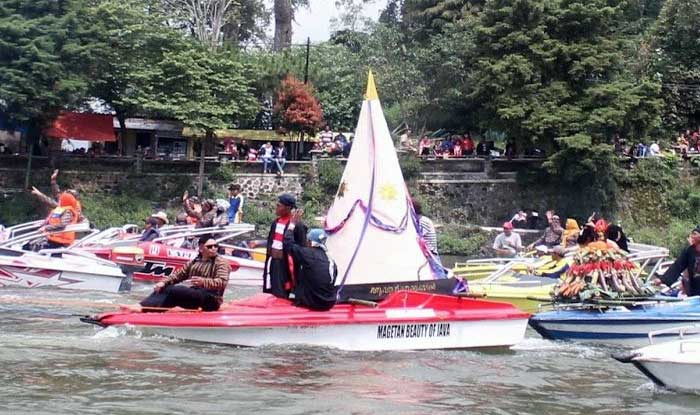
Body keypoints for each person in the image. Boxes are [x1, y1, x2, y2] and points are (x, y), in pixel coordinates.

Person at [134, 234, 229, 312]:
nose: (214, 248)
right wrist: (164, 282)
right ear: (201, 248)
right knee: (164, 287)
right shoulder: (195, 261)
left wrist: (204, 282)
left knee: (176, 290)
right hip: (196, 295)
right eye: (209, 246)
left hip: (212, 300)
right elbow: (179, 274)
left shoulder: (221, 262)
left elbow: (222, 282)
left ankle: (144, 308)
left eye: (216, 246)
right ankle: (145, 307)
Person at [283, 209, 337, 311]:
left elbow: (287, 244)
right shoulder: (330, 259)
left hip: (313, 303)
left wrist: (292, 225)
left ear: (310, 242)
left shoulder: (307, 254)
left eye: (308, 240)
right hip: (329, 303)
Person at [262, 194, 308, 298]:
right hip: (272, 262)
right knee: (269, 290)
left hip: (285, 265)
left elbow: (301, 247)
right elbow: (271, 241)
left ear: (287, 208)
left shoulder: (297, 225)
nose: (276, 208)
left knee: (281, 292)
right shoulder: (275, 222)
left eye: (279, 205)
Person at [658, 226, 700, 297]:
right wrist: (662, 280)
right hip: (695, 288)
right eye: (692, 234)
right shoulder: (689, 251)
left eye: (694, 234)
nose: (691, 236)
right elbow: (678, 266)